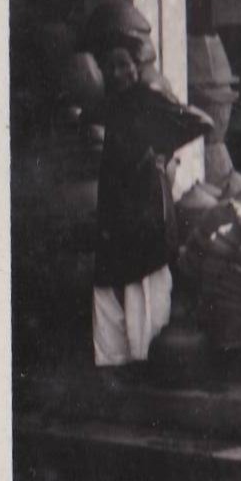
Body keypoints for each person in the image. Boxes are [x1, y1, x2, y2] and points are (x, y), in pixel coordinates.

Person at [89, 31, 212, 374]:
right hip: (116, 198)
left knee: (146, 275)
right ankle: (114, 360)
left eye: (123, 65)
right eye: (110, 67)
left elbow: (201, 121)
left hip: (144, 198)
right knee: (111, 276)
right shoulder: (109, 104)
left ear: (136, 68)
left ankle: (148, 357)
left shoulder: (149, 97)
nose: (116, 73)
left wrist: (162, 150)